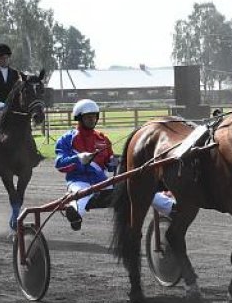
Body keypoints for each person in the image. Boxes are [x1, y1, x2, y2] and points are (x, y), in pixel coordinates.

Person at [55, 99, 176, 231]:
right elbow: (60, 164)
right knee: (80, 194)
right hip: (78, 181)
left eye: (94, 117)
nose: (92, 120)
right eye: (88, 117)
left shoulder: (103, 139)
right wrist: (78, 158)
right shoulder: (67, 139)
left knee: (139, 188)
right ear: (79, 118)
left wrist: (113, 162)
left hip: (102, 182)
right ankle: (75, 215)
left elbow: (109, 165)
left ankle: (171, 208)